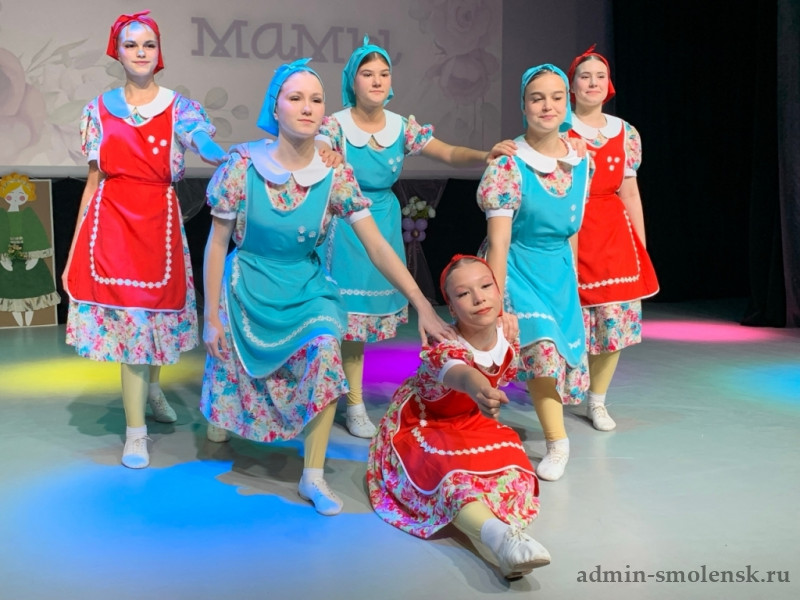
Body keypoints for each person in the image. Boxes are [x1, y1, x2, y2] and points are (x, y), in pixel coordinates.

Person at [200, 58, 453, 517]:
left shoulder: (336, 175)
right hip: (248, 282)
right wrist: (211, 316)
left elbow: (377, 246)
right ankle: (226, 414)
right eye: (295, 98)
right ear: (275, 107)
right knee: (229, 399)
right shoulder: (242, 166)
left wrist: (422, 304)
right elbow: (217, 243)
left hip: (306, 285)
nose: (307, 107)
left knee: (324, 350)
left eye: (316, 100)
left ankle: (312, 475)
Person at [318, 37, 516, 439]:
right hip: (345, 224)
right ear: (352, 81)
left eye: (384, 74)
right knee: (341, 321)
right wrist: (326, 153)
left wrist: (484, 156)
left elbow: (448, 153)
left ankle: (353, 402)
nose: (377, 81)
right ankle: (332, 399)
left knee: (360, 328)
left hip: (383, 220)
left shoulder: (401, 127)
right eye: (367, 74)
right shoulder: (334, 125)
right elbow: (317, 148)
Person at [63, 11, 227, 469]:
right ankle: (135, 433)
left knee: (153, 315)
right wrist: (74, 249)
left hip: (158, 221)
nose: (140, 52)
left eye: (149, 44)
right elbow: (93, 181)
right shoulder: (97, 109)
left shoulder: (179, 107)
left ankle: (153, 388)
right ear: (117, 52)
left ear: (159, 54)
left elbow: (201, 141)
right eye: (131, 44)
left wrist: (222, 154)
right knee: (133, 325)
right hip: (111, 222)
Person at [367, 255, 549, 580]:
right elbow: (461, 374)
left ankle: (503, 543)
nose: (479, 298)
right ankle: (500, 539)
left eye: (486, 286)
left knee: (507, 473)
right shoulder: (444, 346)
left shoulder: (507, 333)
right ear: (450, 308)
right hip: (424, 424)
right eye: (464, 294)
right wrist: (481, 389)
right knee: (450, 478)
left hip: (472, 421)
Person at [478, 64, 591, 482]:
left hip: (557, 272)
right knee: (542, 348)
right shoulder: (509, 166)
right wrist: (496, 299)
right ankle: (558, 441)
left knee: (558, 354)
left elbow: (572, 230)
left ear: (567, 103)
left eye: (557, 97)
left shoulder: (581, 161)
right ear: (523, 105)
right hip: (516, 267)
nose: (547, 106)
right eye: (537, 98)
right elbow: (499, 242)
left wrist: (573, 278)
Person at [567, 46, 659, 431]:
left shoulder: (625, 132)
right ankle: (558, 391)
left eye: (600, 77)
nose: (593, 83)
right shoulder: (558, 127)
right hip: (569, 227)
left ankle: (597, 401)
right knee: (570, 318)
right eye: (585, 76)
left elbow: (630, 192)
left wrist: (640, 246)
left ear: (609, 85)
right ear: (571, 85)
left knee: (612, 324)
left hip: (612, 232)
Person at [0, 172, 61, 326]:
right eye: (12, 193)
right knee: (10, 290)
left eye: (20, 194)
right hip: (8, 258)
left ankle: (29, 324)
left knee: (32, 290)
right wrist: (3, 259)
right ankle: (19, 325)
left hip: (28, 257)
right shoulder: (2, 215)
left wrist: (35, 257)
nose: (15, 197)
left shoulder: (28, 214)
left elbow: (36, 234)